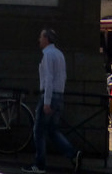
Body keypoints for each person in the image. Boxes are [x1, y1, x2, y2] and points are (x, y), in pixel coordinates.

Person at [22, 28, 82, 174]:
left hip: (49, 96)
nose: (39, 40)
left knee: (39, 131)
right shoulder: (59, 54)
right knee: (52, 130)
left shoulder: (48, 55)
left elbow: (49, 78)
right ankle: (73, 154)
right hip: (59, 95)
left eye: (41, 37)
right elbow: (63, 76)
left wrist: (47, 101)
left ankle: (40, 164)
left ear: (47, 39)